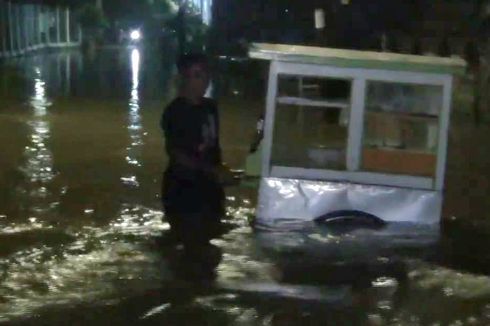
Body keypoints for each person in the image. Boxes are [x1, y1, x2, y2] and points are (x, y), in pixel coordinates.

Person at [161, 53, 232, 251]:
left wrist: (220, 169)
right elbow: (176, 154)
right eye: (196, 75)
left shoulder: (210, 107)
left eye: (204, 74)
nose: (204, 80)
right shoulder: (175, 112)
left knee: (210, 240)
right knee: (188, 243)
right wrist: (213, 170)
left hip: (209, 187)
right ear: (184, 79)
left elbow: (213, 146)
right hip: (183, 189)